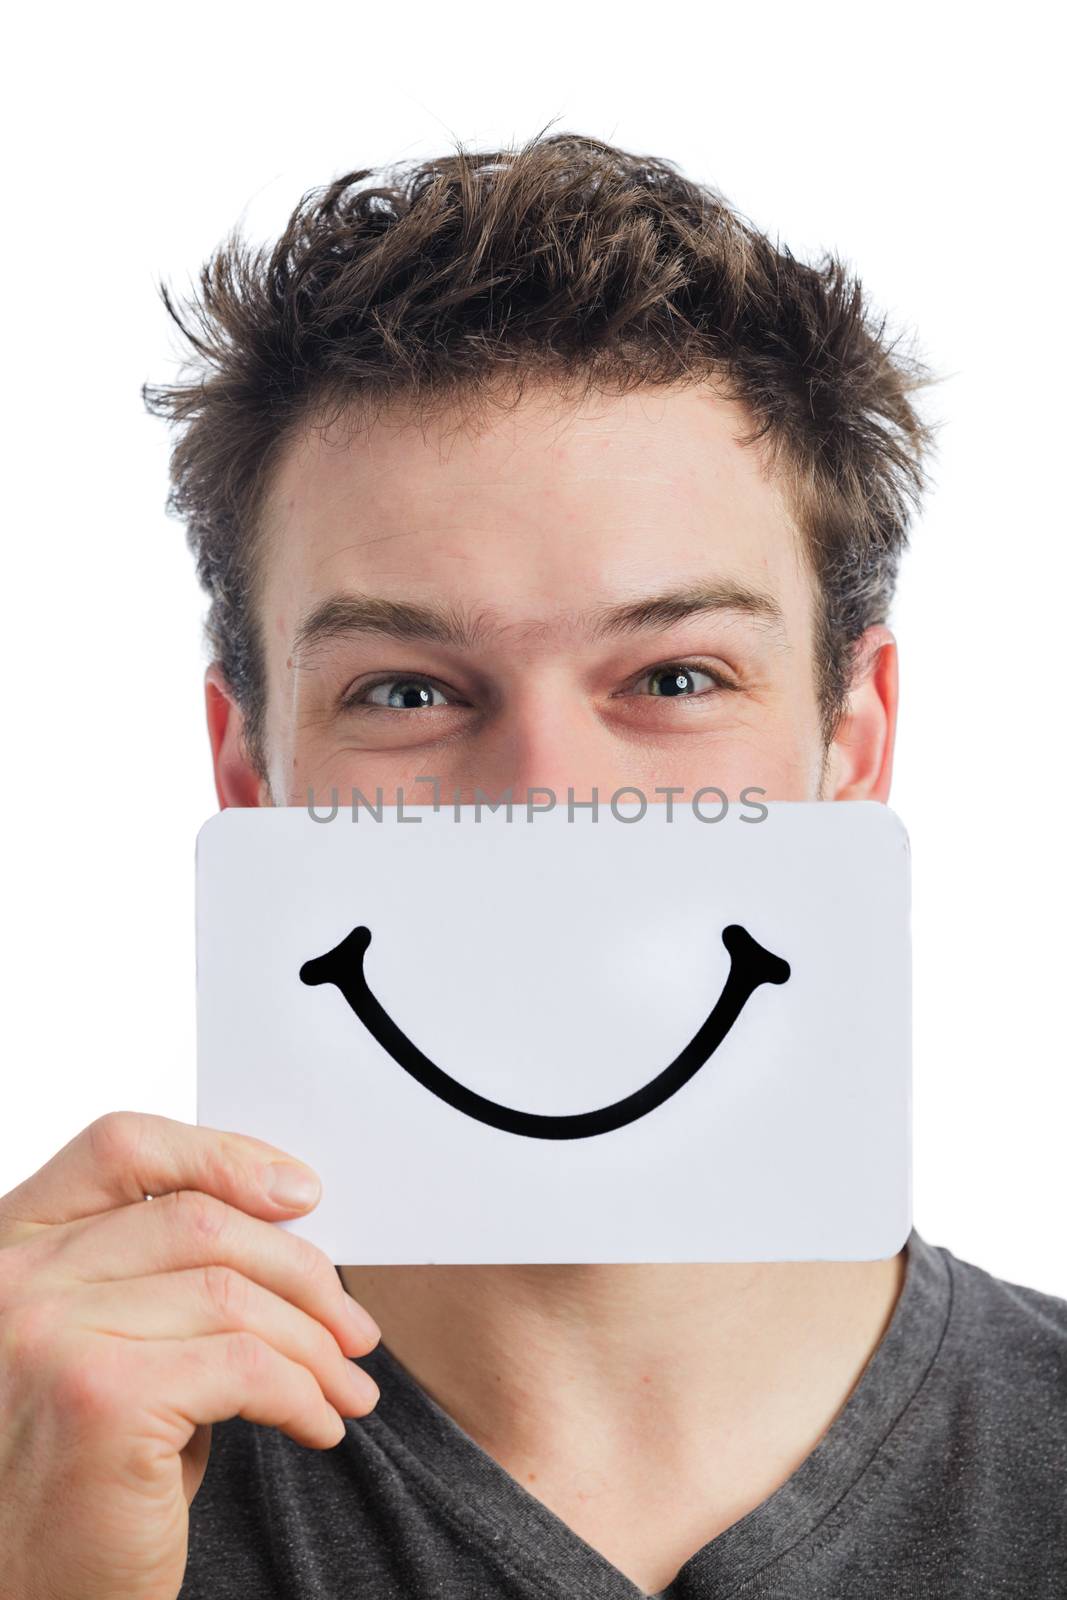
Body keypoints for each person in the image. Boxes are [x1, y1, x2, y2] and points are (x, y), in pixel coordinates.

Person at [1, 131, 1064, 1600]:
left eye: (679, 677)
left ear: (855, 742)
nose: (545, 801)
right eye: (406, 690)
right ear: (250, 773)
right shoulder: (49, 1478)